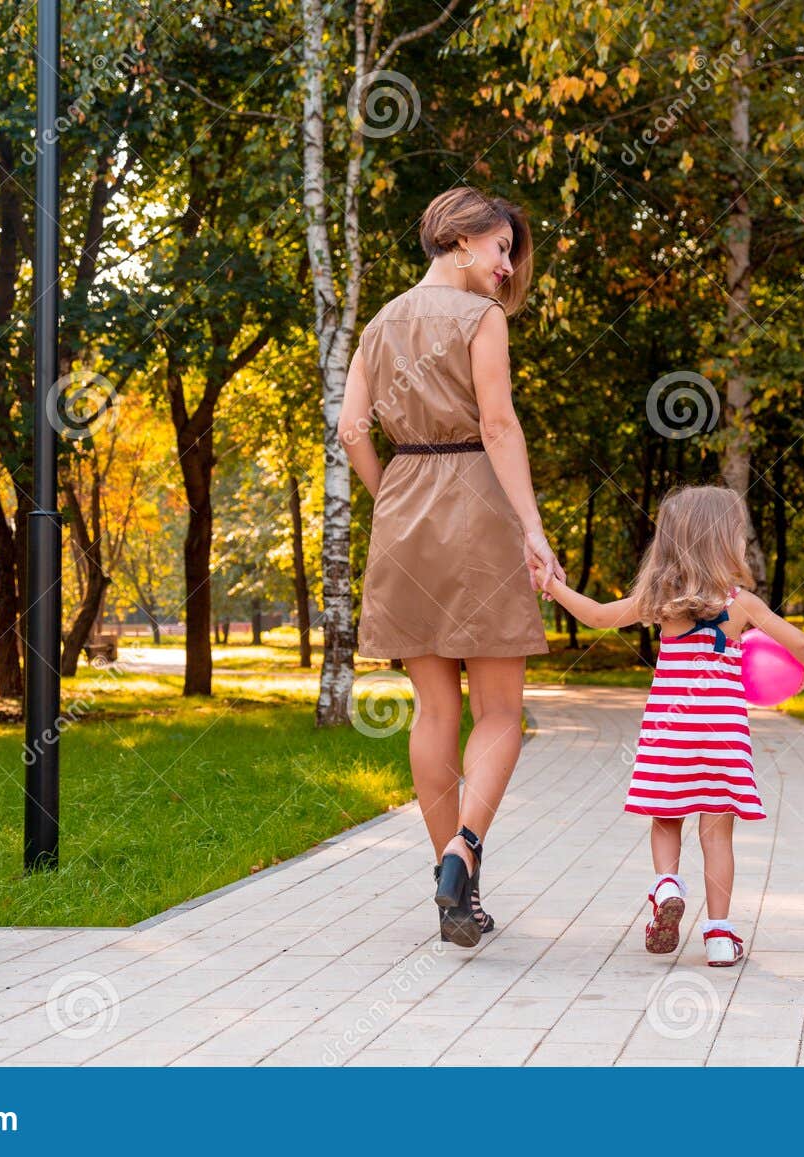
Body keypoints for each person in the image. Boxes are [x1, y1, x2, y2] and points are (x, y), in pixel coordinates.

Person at [337, 186, 563, 948]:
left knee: (435, 711)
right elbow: (498, 424)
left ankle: (453, 889)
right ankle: (464, 852)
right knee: (499, 711)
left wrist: (391, 497)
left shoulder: (378, 322)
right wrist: (532, 528)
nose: (506, 267)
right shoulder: (481, 319)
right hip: (477, 506)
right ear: (463, 239)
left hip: (405, 512)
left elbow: (349, 429)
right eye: (501, 248)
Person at [539, 484, 804, 966]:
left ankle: (667, 884)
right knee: (717, 831)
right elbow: (800, 646)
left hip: (670, 733)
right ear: (725, 542)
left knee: (667, 818)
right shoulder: (742, 604)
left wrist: (552, 585)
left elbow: (597, 616)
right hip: (723, 737)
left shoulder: (660, 601)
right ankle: (719, 935)